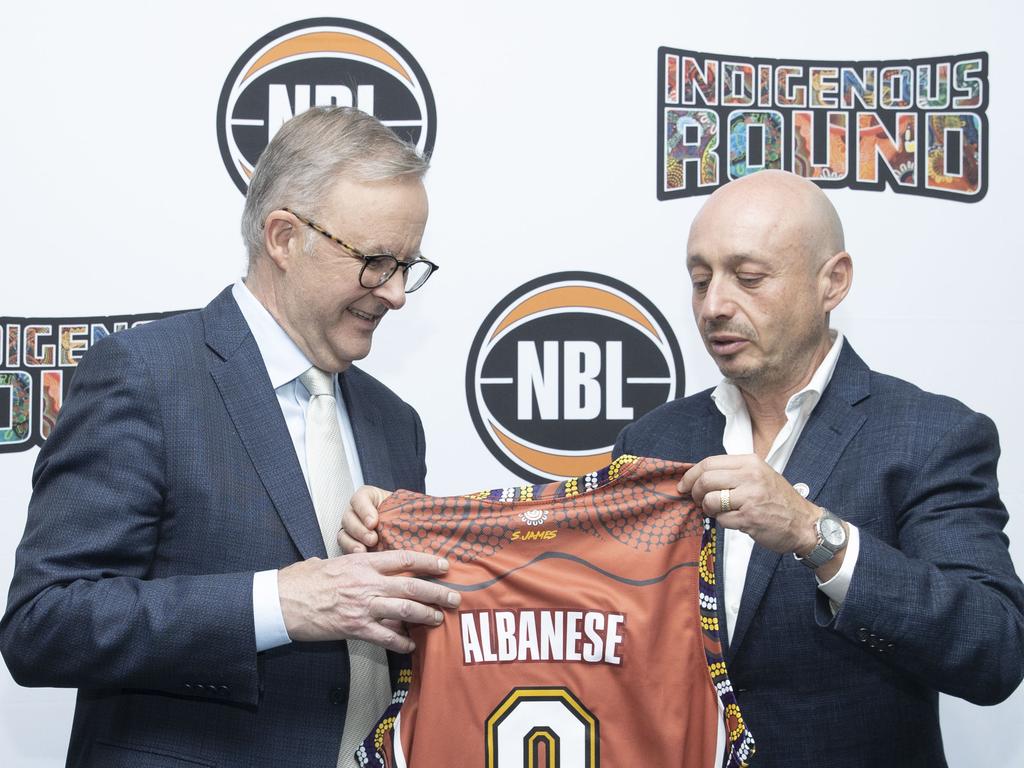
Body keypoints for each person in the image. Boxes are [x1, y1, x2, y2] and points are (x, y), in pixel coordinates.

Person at [341, 169, 1024, 767]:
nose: (714, 305)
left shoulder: (929, 436)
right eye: (700, 280)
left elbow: (992, 650)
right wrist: (408, 549)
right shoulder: (655, 439)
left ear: (832, 281)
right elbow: (583, 614)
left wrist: (817, 535)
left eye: (748, 277)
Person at [0, 106, 460, 768]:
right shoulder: (147, 377)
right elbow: (47, 624)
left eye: (407, 266)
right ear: (283, 236)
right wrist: (281, 603)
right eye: (376, 262)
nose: (395, 295)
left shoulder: (395, 423)